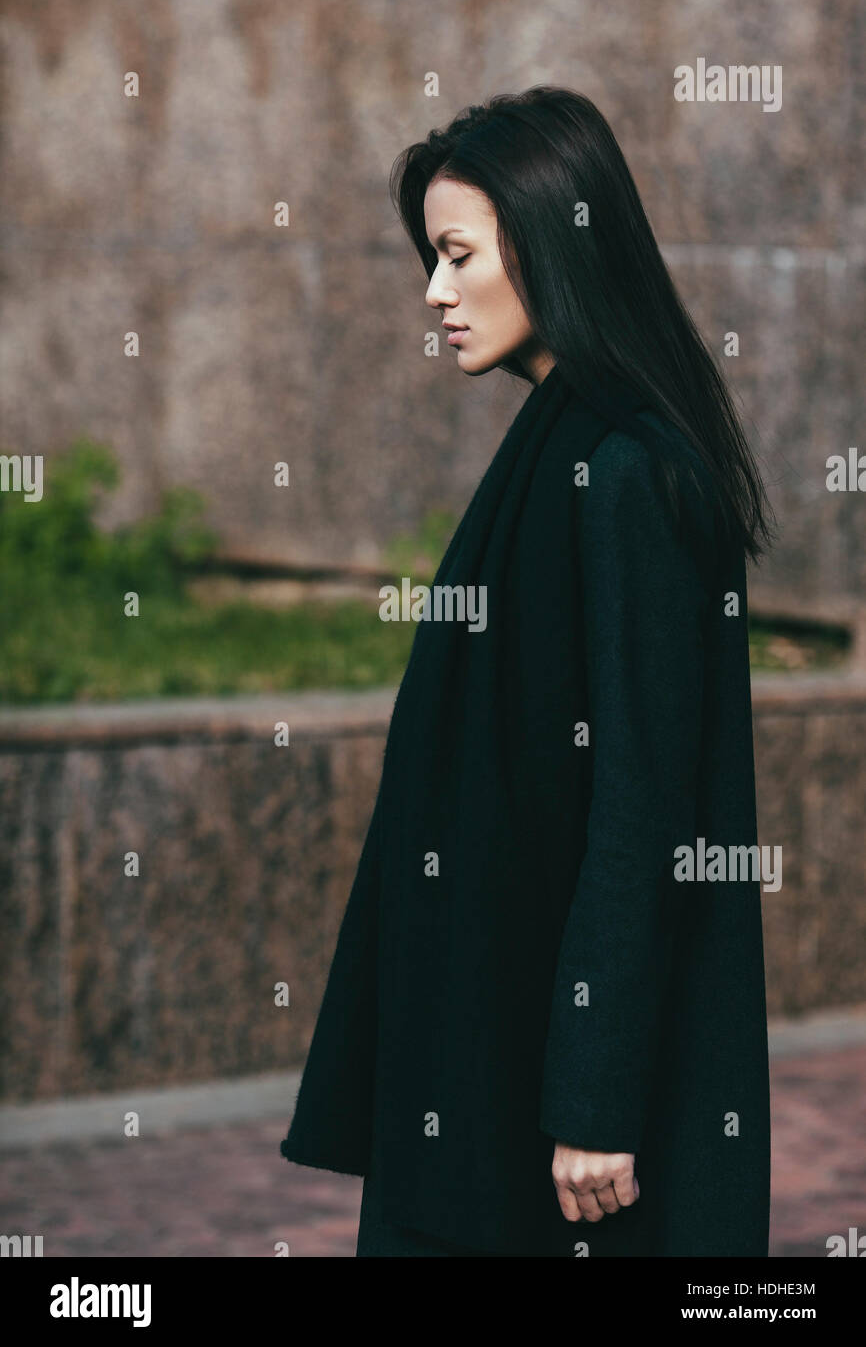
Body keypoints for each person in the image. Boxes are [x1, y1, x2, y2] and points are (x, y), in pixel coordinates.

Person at [280, 86, 777, 1257]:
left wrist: (595, 1103)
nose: (433, 292)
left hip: (559, 1108)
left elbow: (640, 809)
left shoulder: (623, 473)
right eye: (430, 257)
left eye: (457, 254)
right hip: (499, 1048)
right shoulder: (565, 451)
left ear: (555, 242)